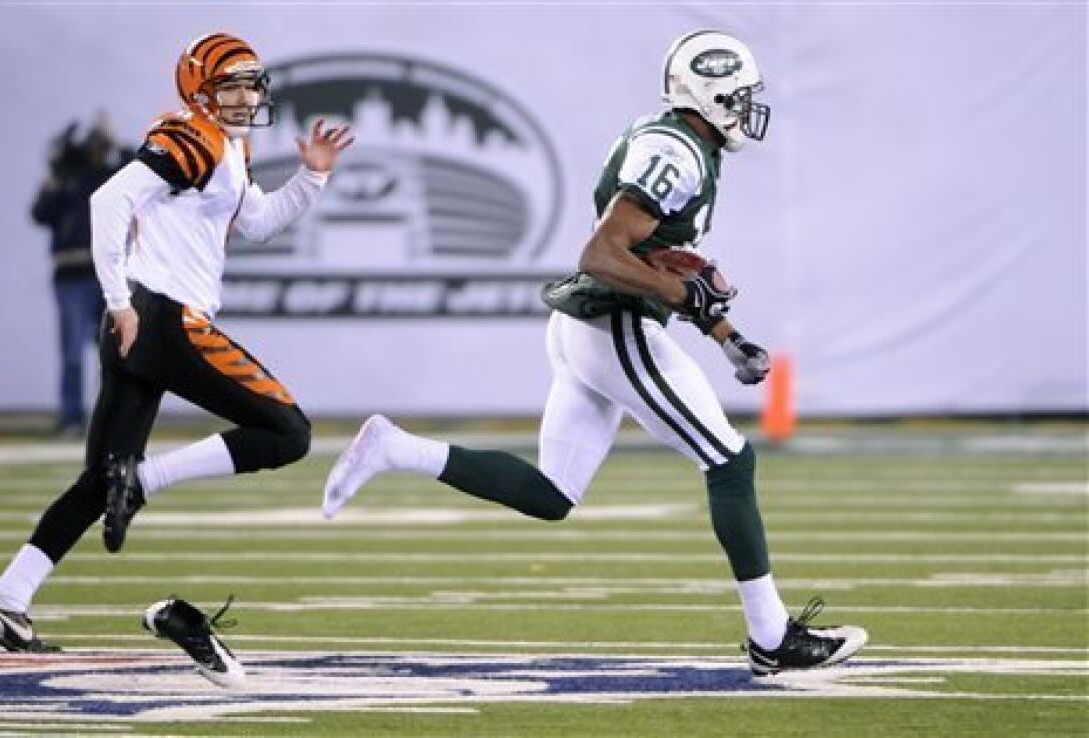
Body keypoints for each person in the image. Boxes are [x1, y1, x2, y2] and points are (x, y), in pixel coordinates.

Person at [323, 30, 866, 677]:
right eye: (740, 95)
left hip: (592, 328)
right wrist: (678, 290)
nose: (748, 107)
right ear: (712, 94)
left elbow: (655, 259)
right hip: (614, 325)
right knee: (729, 461)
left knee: (553, 495)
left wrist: (724, 335)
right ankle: (771, 638)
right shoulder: (679, 153)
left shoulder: (677, 142)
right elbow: (603, 253)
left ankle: (394, 448)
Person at [0, 33, 353, 659]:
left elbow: (255, 223)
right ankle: (147, 480)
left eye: (251, 83)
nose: (244, 96)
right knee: (288, 433)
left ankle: (6, 600)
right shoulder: (193, 138)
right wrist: (118, 299)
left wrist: (311, 178)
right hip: (165, 317)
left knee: (99, 481)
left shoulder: (225, 143)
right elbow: (107, 199)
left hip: (148, 317)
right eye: (229, 85)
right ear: (201, 91)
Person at [31, 114, 132, 437]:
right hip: (71, 274)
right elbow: (40, 213)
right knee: (73, 350)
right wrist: (57, 172)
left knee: (112, 351)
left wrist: (115, 142)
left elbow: (138, 171)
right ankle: (72, 417)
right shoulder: (68, 178)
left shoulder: (111, 176)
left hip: (106, 274)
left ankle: (110, 417)